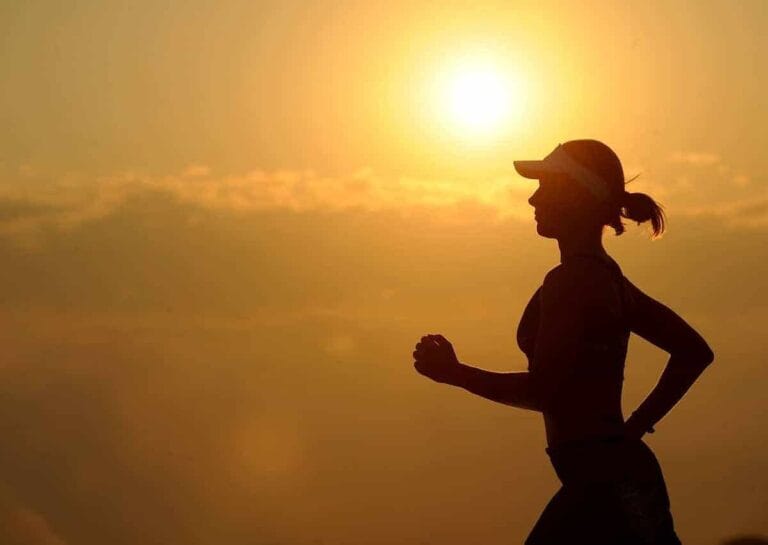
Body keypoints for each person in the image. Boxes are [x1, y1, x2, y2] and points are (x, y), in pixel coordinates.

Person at [411, 139, 714, 545]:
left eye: (545, 186)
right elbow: (694, 352)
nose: (532, 199)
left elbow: (545, 391)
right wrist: (633, 429)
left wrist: (456, 374)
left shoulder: (573, 282)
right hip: (615, 479)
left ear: (577, 196)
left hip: (604, 486)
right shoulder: (606, 278)